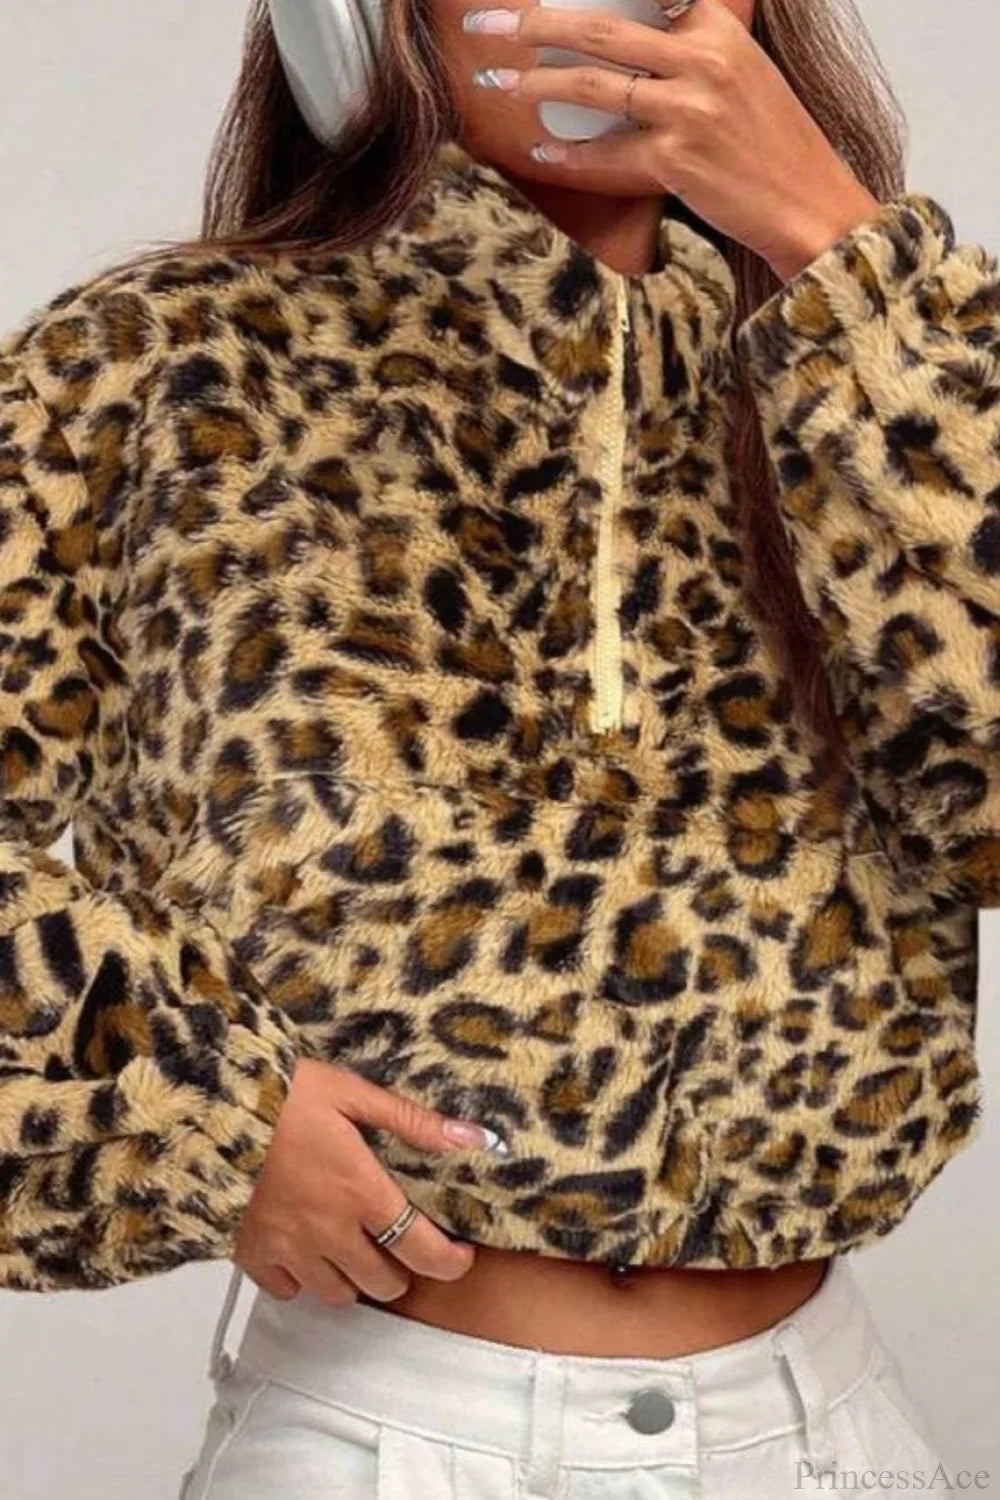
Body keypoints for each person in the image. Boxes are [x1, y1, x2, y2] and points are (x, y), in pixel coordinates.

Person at [1, 0, 995, 1493]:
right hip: (382, 1438)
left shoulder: (845, 372)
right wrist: (202, 1111)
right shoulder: (160, 366)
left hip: (820, 1436)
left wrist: (839, 253)